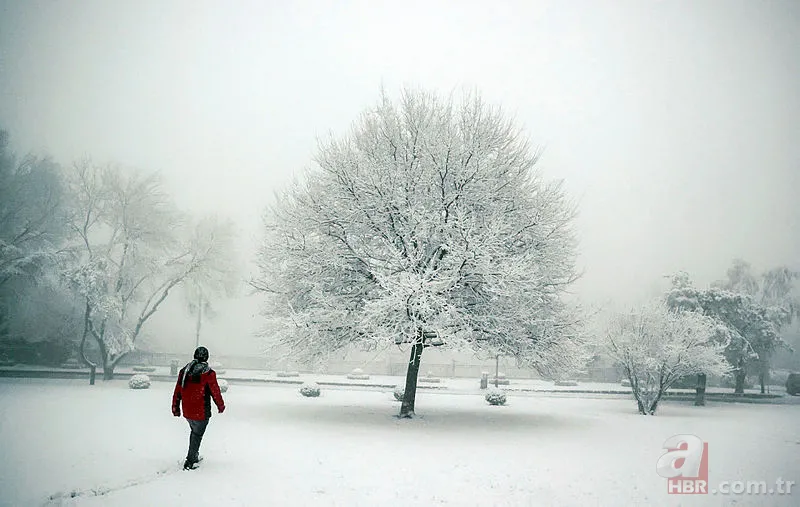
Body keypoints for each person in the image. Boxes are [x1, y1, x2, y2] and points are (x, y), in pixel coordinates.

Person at [171, 346, 225, 470]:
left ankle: (194, 455)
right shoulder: (208, 373)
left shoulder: (185, 371)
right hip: (202, 412)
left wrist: (175, 407)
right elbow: (215, 391)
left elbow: (178, 390)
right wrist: (220, 406)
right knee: (197, 434)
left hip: (188, 411)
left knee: (195, 433)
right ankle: (190, 461)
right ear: (206, 357)